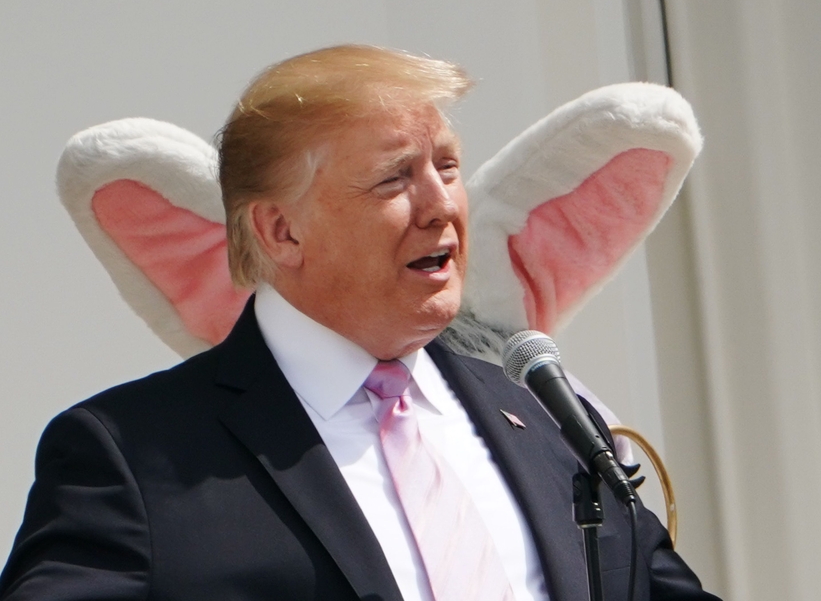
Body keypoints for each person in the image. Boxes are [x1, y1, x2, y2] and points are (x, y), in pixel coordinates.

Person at [0, 45, 719, 600]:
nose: (442, 205)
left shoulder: (544, 413)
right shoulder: (129, 455)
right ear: (281, 231)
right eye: (394, 179)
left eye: (448, 166)